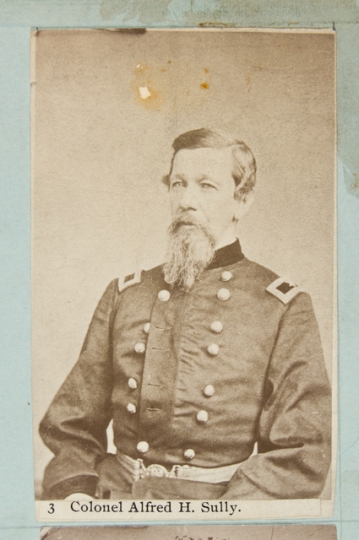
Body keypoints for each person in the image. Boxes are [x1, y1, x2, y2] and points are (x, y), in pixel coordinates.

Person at [39, 128, 331, 501]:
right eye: (178, 184)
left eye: (206, 186)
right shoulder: (125, 294)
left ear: (242, 201)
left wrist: (227, 519)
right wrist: (77, 494)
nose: (187, 201)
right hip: (113, 499)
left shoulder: (280, 306)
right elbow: (71, 425)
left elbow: (300, 451)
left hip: (215, 513)